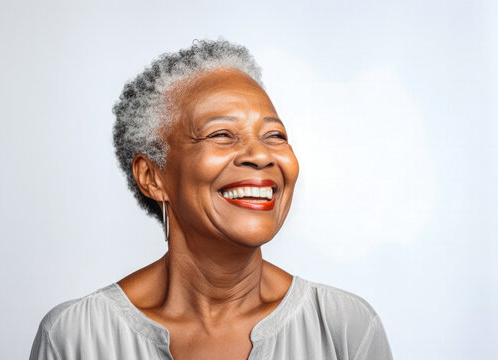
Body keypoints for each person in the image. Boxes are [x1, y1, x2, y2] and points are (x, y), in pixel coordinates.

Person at [29, 39, 394, 360]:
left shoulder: (345, 327)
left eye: (275, 135)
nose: (261, 155)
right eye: (221, 134)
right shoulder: (76, 337)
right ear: (152, 177)